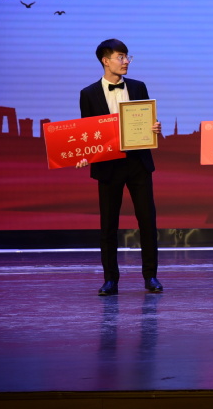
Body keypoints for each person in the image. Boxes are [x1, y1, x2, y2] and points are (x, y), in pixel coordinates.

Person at [77, 38, 163, 296]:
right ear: (106, 61)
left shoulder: (138, 87)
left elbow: (146, 120)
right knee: (108, 224)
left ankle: (151, 276)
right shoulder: (88, 93)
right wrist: (84, 154)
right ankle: (110, 279)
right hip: (108, 166)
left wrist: (153, 128)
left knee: (147, 221)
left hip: (138, 163)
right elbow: (87, 131)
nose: (126, 61)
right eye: (120, 57)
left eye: (127, 57)